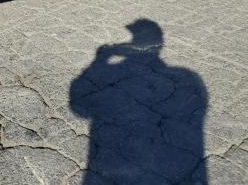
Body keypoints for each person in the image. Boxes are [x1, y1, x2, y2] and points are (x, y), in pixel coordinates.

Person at [69, 19, 208, 184]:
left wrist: (99, 60)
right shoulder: (187, 75)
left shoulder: (183, 75)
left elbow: (78, 107)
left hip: (112, 162)